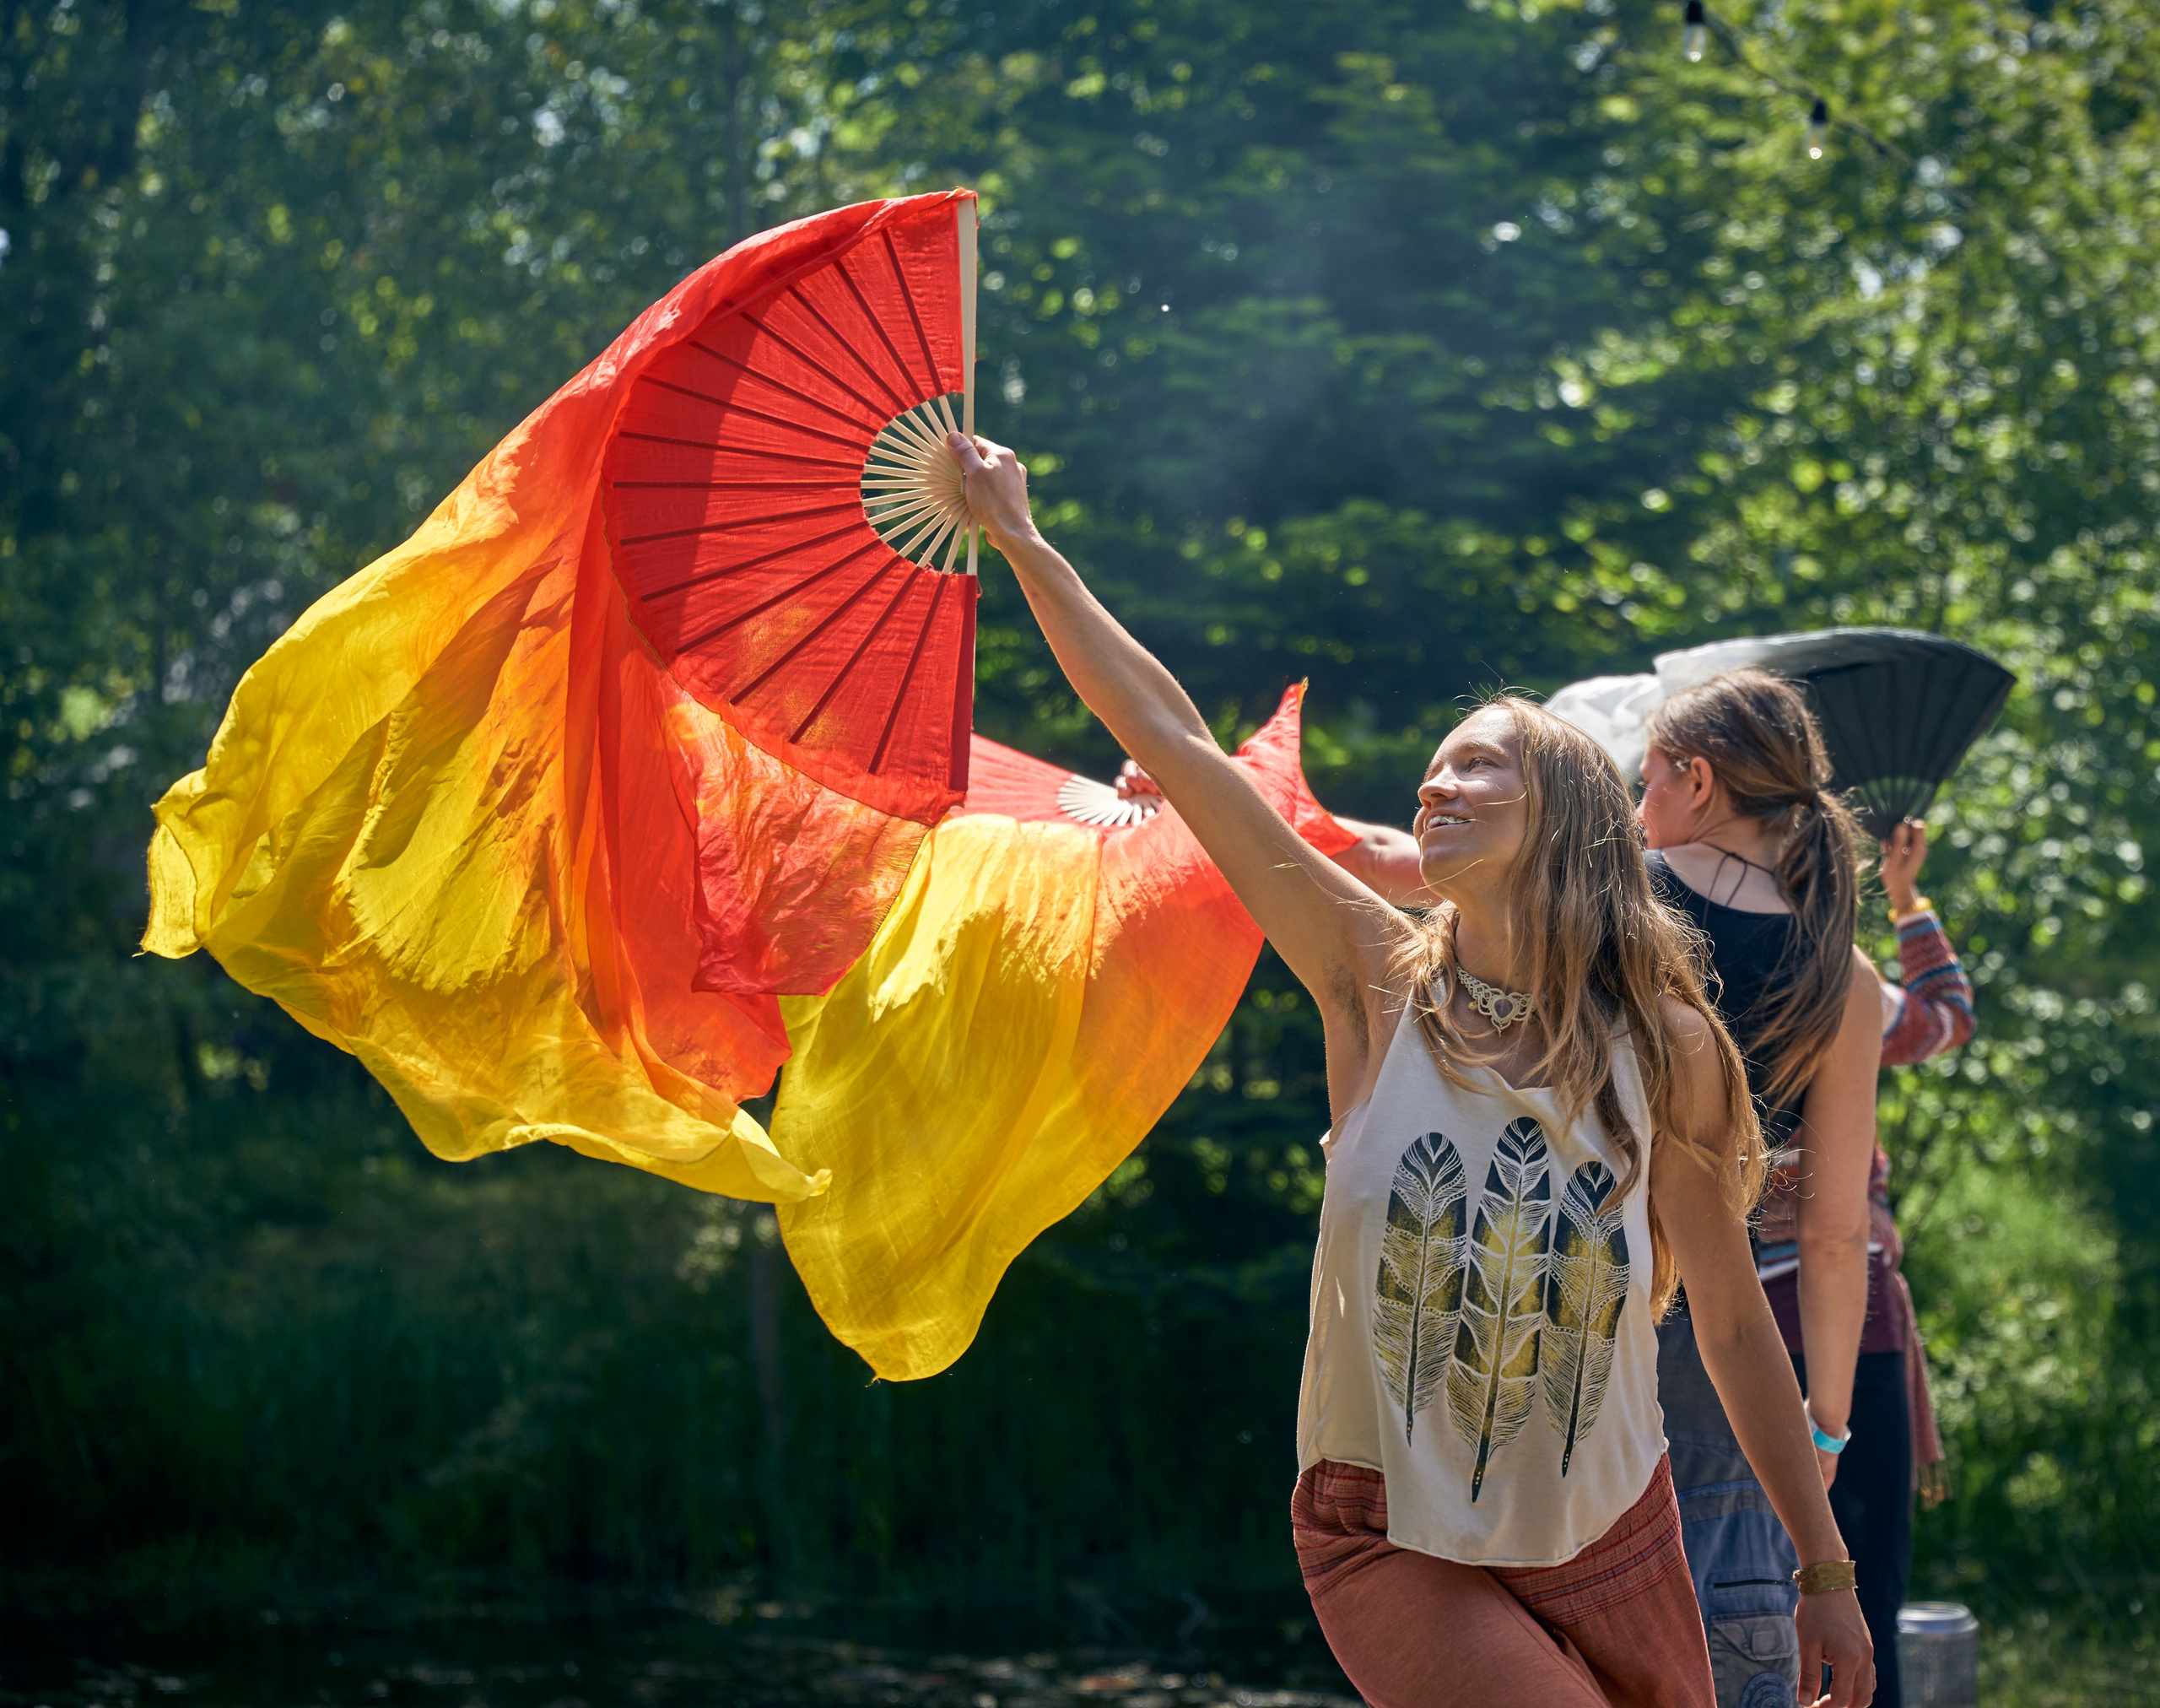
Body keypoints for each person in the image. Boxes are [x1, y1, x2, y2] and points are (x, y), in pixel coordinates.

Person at [951, 430, 1875, 1708]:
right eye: (1435, 766)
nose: (1437, 782)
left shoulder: (1665, 1048)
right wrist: (1021, 539)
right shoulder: (1373, 979)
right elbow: (1172, 737)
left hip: (1613, 1539)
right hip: (1388, 1528)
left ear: (1566, 815)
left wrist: (1822, 1570)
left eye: (1478, 763)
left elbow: (1725, 1321)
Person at [1324, 672, 1973, 1708]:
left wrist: (1223, 804)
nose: (1628, 809)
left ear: (1697, 780)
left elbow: (1395, 865)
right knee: (1758, 1633)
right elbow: (1837, 1226)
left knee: (1592, 1617)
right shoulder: (1841, 967)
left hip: (1605, 1305)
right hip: (1771, 1337)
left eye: (1648, 780)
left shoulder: (1622, 895)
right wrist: (1826, 1429)